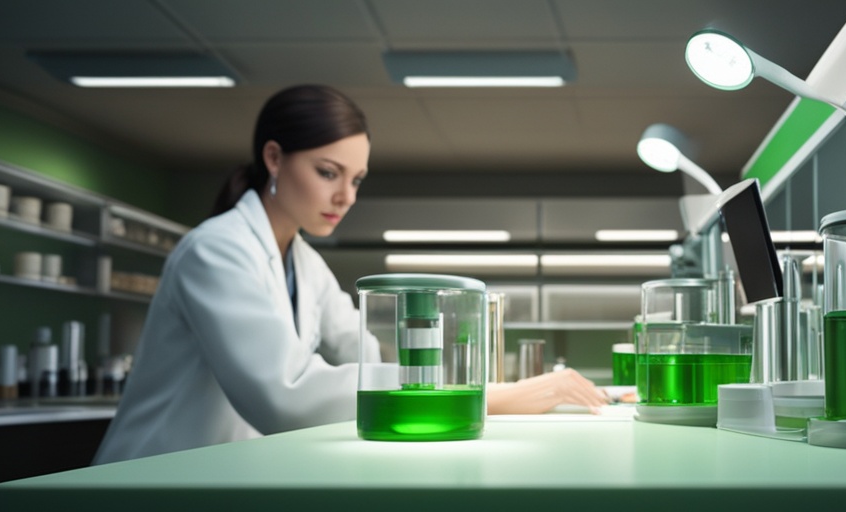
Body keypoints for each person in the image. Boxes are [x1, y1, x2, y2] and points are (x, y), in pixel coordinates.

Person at [93, 84, 606, 465]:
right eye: (328, 172)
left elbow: (363, 352)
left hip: (212, 473)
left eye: (356, 179)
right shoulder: (215, 250)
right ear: (274, 158)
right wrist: (485, 395)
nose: (347, 197)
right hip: (148, 472)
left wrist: (443, 386)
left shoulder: (305, 264)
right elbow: (284, 396)